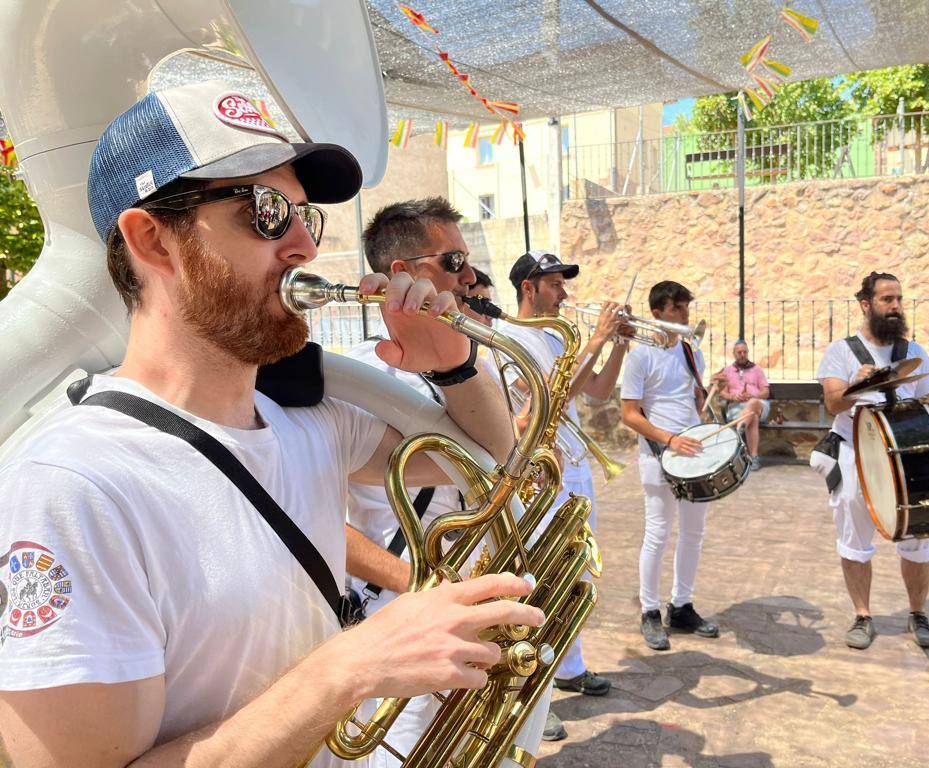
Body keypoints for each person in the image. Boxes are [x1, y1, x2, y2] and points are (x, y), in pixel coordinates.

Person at [0, 81, 542, 768]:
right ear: (152, 241)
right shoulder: (73, 484)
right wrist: (353, 666)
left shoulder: (308, 419)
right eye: (264, 212)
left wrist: (452, 366)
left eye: (304, 219)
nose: (302, 247)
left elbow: (486, 459)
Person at [345, 198, 481, 767]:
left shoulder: (468, 363)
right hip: (398, 606)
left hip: (466, 594)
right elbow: (321, 524)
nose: (471, 277)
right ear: (402, 274)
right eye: (455, 261)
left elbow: (493, 466)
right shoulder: (354, 377)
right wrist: (418, 585)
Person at [499, 250, 628, 740]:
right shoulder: (508, 338)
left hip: (574, 465)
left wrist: (615, 347)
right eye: (555, 284)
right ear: (528, 287)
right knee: (540, 579)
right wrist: (595, 338)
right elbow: (539, 406)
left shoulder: (556, 336)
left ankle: (569, 667)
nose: (564, 293)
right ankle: (532, 691)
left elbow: (594, 391)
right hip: (539, 474)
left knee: (575, 575)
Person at [817, 271, 929, 650]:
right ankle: (862, 615)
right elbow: (832, 403)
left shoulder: (914, 352)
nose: (895, 307)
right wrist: (858, 384)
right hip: (856, 450)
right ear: (866, 304)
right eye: (887, 300)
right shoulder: (841, 351)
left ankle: (918, 612)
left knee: (920, 533)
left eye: (898, 299)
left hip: (907, 453)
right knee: (854, 537)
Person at [620, 280, 720, 652]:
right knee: (658, 534)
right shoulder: (640, 356)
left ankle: (682, 606)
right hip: (658, 454)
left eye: (686, 309)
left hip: (693, 453)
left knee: (694, 534)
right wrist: (670, 438)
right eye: (677, 310)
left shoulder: (693, 353)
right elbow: (629, 414)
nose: (685, 316)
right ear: (658, 313)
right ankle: (649, 611)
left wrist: (708, 409)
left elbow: (694, 403)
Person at [717, 340, 771, 471]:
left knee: (752, 404)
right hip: (737, 407)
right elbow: (722, 393)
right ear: (734, 354)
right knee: (753, 418)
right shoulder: (727, 371)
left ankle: (739, 429)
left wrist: (753, 397)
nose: (742, 354)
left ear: (747, 353)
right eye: (739, 352)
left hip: (759, 405)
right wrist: (733, 397)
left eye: (744, 352)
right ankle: (754, 457)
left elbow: (766, 392)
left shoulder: (757, 370)